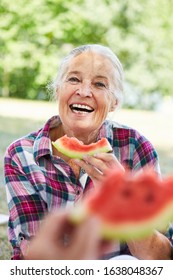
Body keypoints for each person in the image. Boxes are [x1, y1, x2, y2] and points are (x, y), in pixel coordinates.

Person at [4, 44, 172, 260]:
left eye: (99, 84)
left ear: (114, 102)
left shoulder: (136, 148)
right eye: (73, 79)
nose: (83, 92)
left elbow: (161, 261)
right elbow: (35, 257)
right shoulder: (22, 155)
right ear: (57, 90)